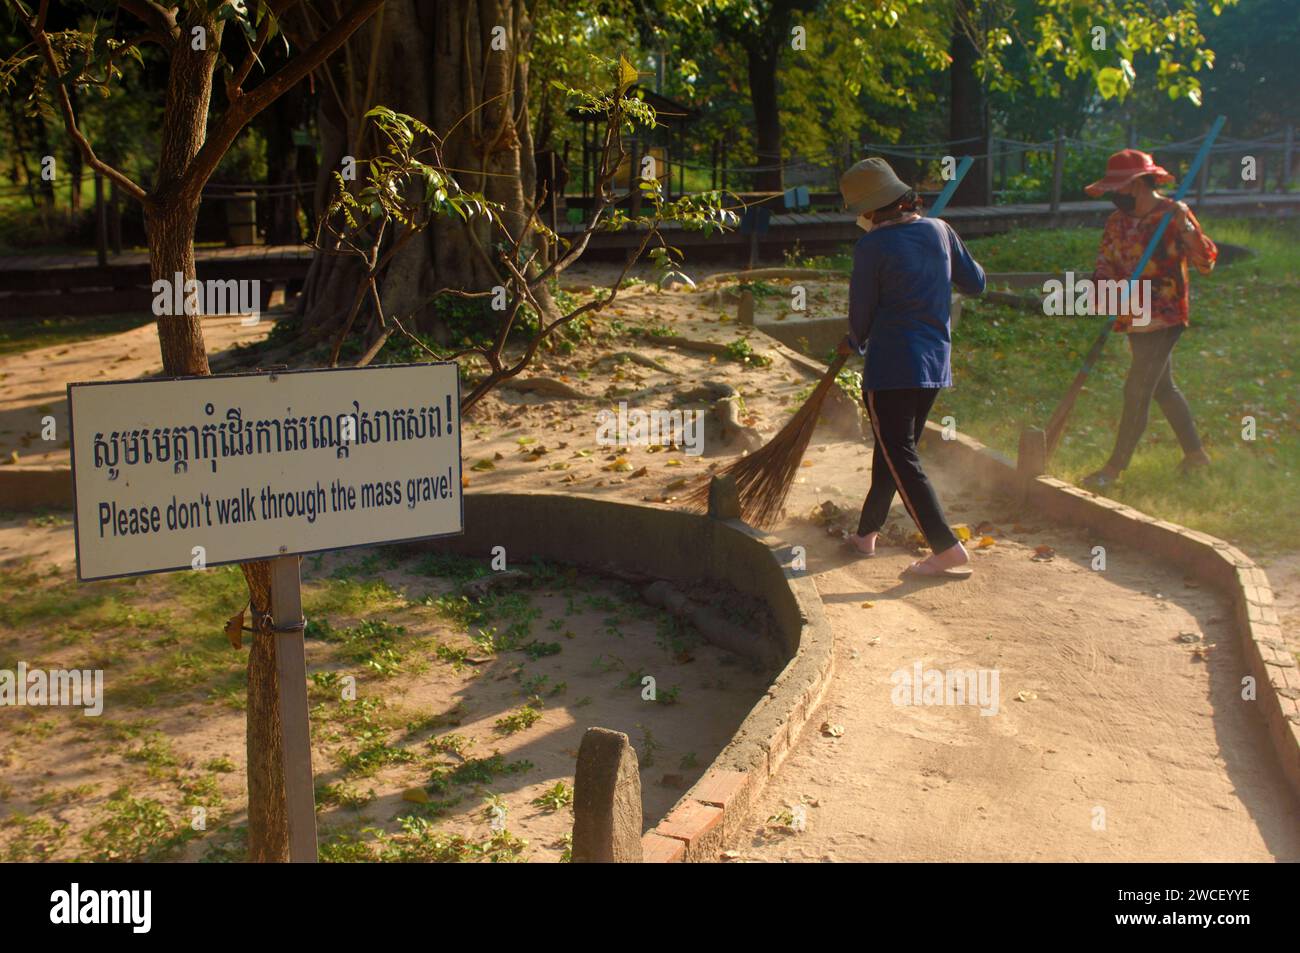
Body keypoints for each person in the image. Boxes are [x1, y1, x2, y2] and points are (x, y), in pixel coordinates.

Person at [836, 157, 986, 578]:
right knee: (895, 452)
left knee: (899, 455)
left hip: (891, 368)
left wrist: (853, 340)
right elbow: (975, 283)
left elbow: (861, 313)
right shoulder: (940, 230)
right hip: (933, 365)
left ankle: (946, 548)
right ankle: (867, 534)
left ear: (870, 211)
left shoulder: (871, 246)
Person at [1080, 148, 1217, 489]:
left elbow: (1206, 262)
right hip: (1134, 313)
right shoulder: (1117, 221)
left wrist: (1188, 233)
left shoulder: (1173, 214)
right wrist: (1106, 293)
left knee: (1137, 387)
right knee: (1162, 387)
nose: (1115, 196)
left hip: (1166, 314)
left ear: (1138, 184)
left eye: (1119, 189)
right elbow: (1104, 263)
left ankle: (1113, 470)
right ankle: (1197, 457)